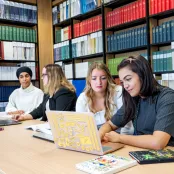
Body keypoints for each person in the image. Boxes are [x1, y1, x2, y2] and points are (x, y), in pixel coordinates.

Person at [99, 55, 174, 150]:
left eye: (128, 79)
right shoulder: (134, 98)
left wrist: (119, 138)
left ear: (143, 75)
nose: (125, 86)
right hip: (142, 152)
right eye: (122, 82)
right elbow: (110, 124)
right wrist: (99, 135)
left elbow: (158, 143)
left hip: (167, 157)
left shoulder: (167, 97)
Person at [76, 62, 133, 134]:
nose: (99, 82)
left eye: (103, 78)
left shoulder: (119, 92)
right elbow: (80, 127)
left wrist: (122, 140)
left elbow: (127, 125)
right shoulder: (83, 98)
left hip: (118, 138)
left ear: (108, 79)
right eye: (94, 78)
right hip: (94, 139)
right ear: (89, 80)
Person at [12, 64, 77, 121]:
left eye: (44, 75)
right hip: (49, 127)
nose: (42, 78)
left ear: (52, 76)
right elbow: (39, 110)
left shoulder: (64, 92)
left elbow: (59, 117)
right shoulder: (49, 91)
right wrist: (23, 117)